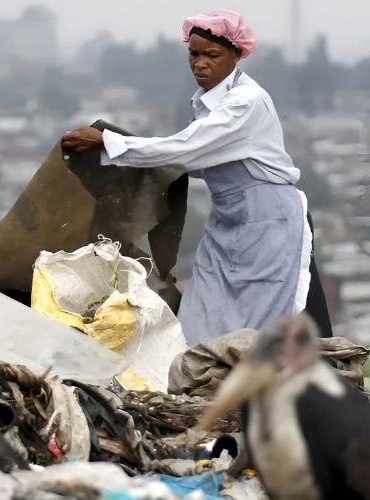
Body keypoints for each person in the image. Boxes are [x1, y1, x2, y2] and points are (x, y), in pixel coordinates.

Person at [62, 9, 332, 345]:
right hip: (227, 222)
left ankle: (257, 393)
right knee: (201, 314)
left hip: (268, 223)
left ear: (237, 54)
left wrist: (110, 142)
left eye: (212, 55)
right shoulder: (209, 103)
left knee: (259, 324)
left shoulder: (245, 103)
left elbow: (186, 149)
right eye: (194, 54)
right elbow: (201, 161)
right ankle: (204, 390)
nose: (200, 64)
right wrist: (121, 161)